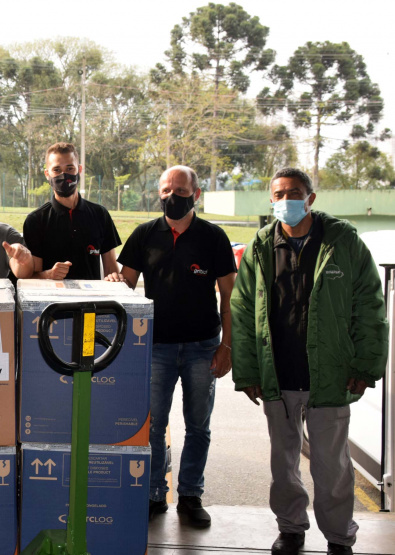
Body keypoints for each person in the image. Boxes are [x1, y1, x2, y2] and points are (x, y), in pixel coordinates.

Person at [230, 168, 388, 555]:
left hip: (329, 375)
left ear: (310, 198)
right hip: (277, 375)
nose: (287, 200)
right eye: (279, 194)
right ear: (271, 199)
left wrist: (366, 366)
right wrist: (247, 370)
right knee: (282, 463)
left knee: (332, 465)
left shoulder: (342, 242)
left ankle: (339, 537)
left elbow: (370, 306)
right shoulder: (261, 247)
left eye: (295, 193)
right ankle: (290, 528)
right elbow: (243, 309)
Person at [105, 165, 236, 527]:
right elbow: (126, 285)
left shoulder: (213, 237)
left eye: (180, 191)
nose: (171, 197)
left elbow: (229, 298)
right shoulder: (145, 234)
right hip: (156, 347)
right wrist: (114, 280)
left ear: (196, 194)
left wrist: (227, 346)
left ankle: (190, 496)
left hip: (202, 347)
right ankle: (153, 494)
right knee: (153, 426)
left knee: (198, 426)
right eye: (165, 190)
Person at [23, 142, 120, 280]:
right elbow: (32, 278)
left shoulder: (100, 214)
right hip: (52, 295)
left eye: (70, 168)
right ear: (47, 174)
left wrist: (114, 278)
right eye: (57, 170)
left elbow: (111, 270)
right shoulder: (36, 220)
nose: (64, 175)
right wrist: (49, 275)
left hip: (92, 294)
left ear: (79, 169)